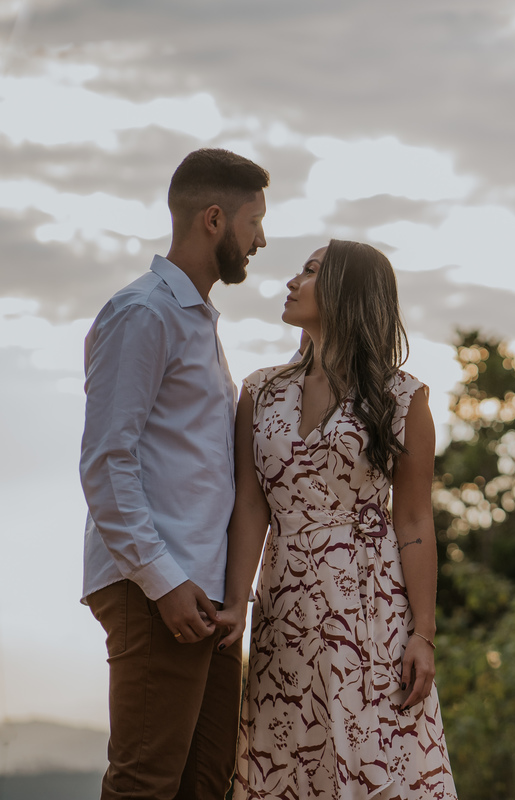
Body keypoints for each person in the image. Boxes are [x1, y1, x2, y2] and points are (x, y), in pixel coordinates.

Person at [219, 240, 456, 799]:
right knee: (290, 755)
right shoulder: (261, 391)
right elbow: (252, 506)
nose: (291, 282)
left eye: (309, 272)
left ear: (347, 292)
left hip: (372, 606)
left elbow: (416, 521)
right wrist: (236, 601)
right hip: (285, 603)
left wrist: (424, 634)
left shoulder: (402, 397)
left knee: (373, 754)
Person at [80, 148, 269, 799]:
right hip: (156, 587)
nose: (261, 240)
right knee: (146, 784)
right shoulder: (145, 313)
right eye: (254, 223)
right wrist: (162, 581)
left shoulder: (196, 322)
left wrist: (229, 594)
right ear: (214, 219)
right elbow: (107, 459)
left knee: (207, 785)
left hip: (207, 597)